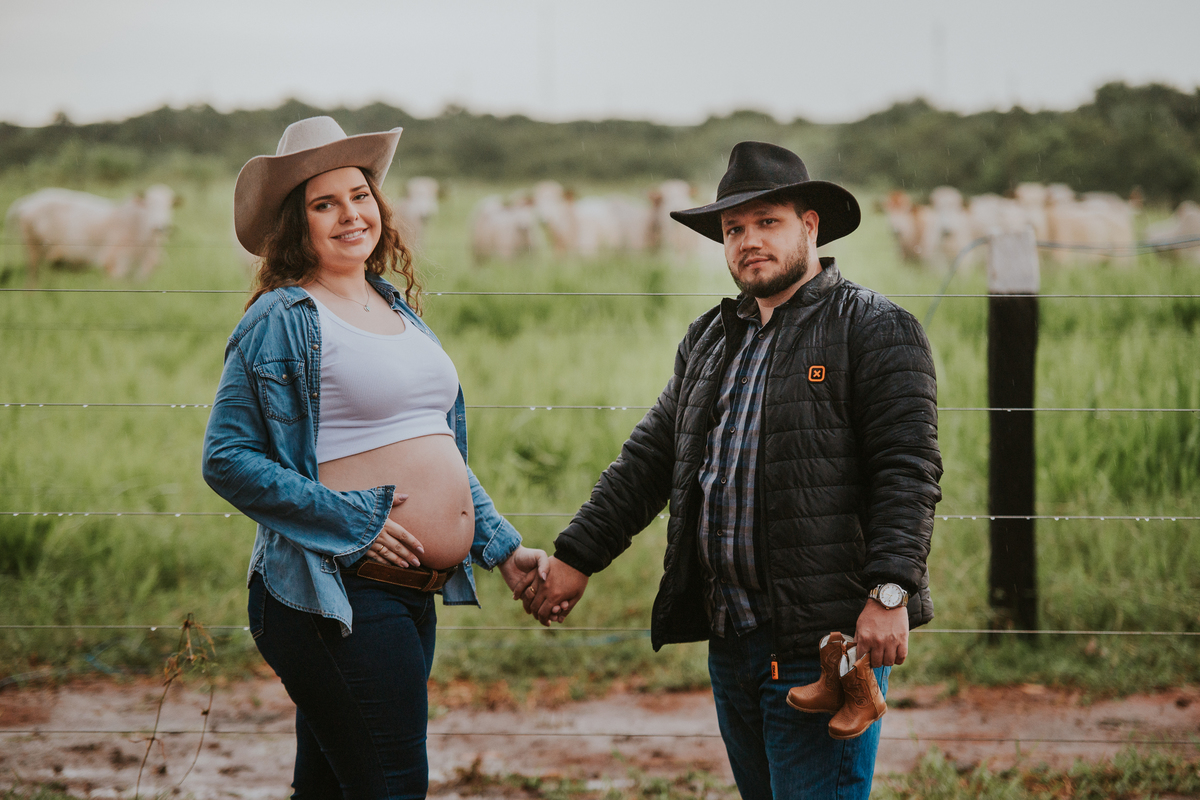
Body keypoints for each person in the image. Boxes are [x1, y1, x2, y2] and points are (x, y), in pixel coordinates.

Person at [524, 142, 943, 798]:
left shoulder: (876, 329)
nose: (749, 240)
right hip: (733, 639)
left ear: (810, 225)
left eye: (767, 222)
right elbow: (650, 459)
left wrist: (889, 593)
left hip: (825, 641)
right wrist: (577, 556)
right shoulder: (712, 339)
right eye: (733, 230)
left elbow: (907, 470)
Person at [202, 116, 546, 799]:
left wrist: (502, 549)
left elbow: (433, 445)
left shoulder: (396, 310)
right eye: (323, 204)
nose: (349, 214)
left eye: (358, 195)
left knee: (333, 790)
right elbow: (228, 458)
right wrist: (354, 522)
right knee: (391, 786)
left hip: (411, 598)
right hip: (337, 593)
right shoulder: (283, 316)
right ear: (296, 226)